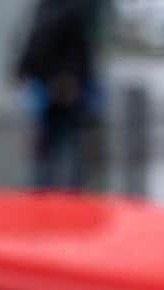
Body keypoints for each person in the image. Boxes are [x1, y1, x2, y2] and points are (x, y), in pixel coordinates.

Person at [15, 0, 100, 191]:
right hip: (52, 95)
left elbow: (38, 45)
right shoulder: (50, 9)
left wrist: (70, 79)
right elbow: (36, 45)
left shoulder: (61, 10)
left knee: (60, 156)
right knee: (54, 155)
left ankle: (56, 204)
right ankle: (49, 202)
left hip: (61, 94)